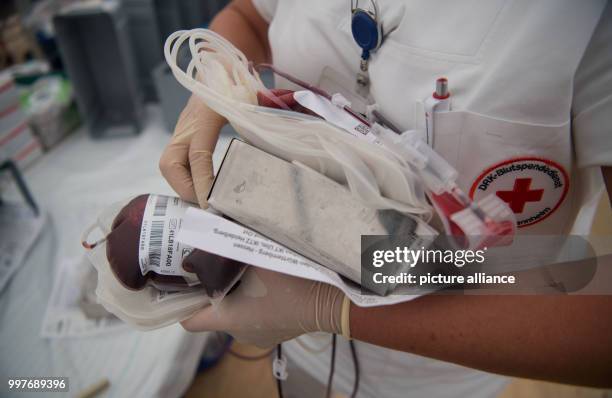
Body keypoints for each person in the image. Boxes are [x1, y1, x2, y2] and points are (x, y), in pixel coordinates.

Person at [159, 0, 612, 396]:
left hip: (457, 361)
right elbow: (250, 16)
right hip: (290, 324)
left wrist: (331, 310)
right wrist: (214, 85)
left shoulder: (583, 20)